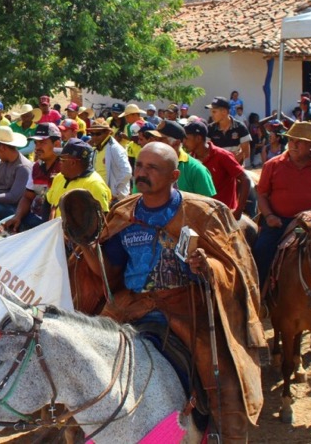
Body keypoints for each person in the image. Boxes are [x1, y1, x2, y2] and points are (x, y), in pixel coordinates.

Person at [96, 142, 264, 442]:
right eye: (140, 166)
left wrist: (208, 266)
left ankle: (225, 433)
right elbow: (109, 270)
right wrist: (86, 245)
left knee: (222, 376)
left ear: (174, 175)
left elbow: (236, 268)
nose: (142, 173)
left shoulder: (204, 212)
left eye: (152, 168)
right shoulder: (123, 214)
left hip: (187, 305)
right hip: (131, 304)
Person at [253, 121, 311, 288]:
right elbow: (262, 195)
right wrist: (269, 216)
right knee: (260, 251)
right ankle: (258, 297)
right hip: (280, 220)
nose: (293, 145)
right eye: (291, 140)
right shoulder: (272, 165)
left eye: (299, 141)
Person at [183, 120, 249, 219]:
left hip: (223, 216)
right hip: (199, 217)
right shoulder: (189, 160)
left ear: (198, 138)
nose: (183, 142)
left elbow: (245, 180)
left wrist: (239, 210)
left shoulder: (222, 156)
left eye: (186, 139)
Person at [4, 123, 62, 232]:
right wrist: (18, 216)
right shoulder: (36, 167)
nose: (37, 147)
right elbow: (27, 197)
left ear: (57, 144)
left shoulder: (65, 167)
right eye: (36, 143)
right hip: (33, 218)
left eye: (42, 143)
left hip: (55, 224)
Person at [145, 120, 217, 198]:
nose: (155, 143)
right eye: (154, 138)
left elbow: (208, 206)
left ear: (176, 143)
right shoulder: (145, 165)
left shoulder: (196, 170)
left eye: (160, 139)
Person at [88, 118, 131, 202]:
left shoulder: (115, 148)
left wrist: (116, 193)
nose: (94, 137)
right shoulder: (96, 149)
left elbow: (126, 171)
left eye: (98, 134)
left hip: (113, 197)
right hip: (100, 194)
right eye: (92, 134)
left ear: (107, 133)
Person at [207, 97, 251, 165]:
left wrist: (231, 162)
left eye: (214, 112)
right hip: (217, 170)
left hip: (236, 171)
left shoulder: (240, 127)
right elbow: (207, 151)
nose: (211, 115)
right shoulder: (210, 129)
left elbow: (246, 153)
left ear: (224, 112)